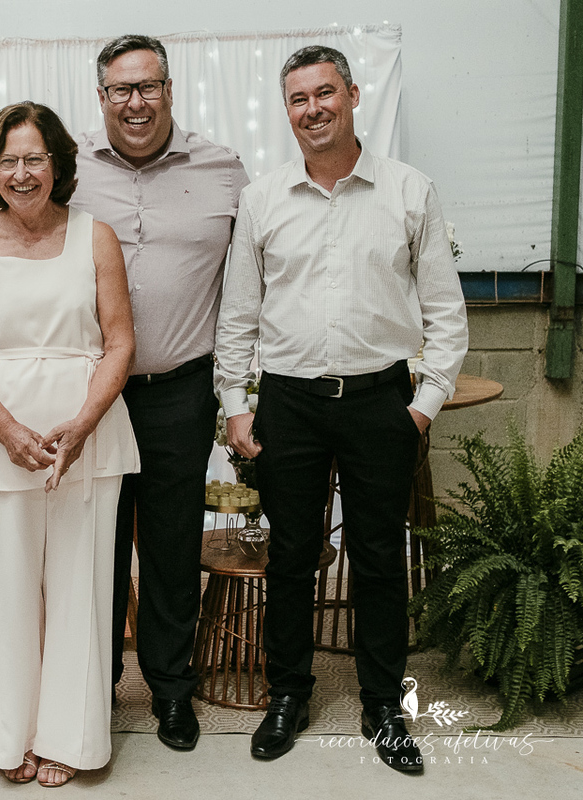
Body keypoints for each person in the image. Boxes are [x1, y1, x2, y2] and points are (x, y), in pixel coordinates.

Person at [215, 45, 468, 774]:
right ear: (286, 109)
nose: (313, 109)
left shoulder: (408, 191)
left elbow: (446, 313)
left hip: (378, 402)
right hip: (289, 403)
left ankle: (383, 705)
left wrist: (420, 408)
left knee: (381, 559)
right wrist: (236, 405)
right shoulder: (263, 198)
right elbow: (238, 315)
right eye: (298, 98)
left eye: (325, 93)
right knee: (291, 557)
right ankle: (289, 695)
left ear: (354, 96)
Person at [0, 101, 140, 787]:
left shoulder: (97, 237)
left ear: (57, 165)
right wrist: (9, 430)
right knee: (7, 593)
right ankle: (14, 736)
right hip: (1, 442)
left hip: (89, 441)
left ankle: (72, 738)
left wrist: (82, 423)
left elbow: (120, 341)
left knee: (81, 590)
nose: (21, 173)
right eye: (7, 162)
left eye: (34, 159)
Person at [70, 34, 249, 751]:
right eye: (121, 90)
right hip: (92, 391)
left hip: (182, 389)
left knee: (172, 546)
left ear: (170, 90)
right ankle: (97, 686)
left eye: (147, 87)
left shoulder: (225, 170)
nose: (135, 103)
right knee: (96, 542)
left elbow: (252, 282)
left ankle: (172, 689)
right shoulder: (68, 168)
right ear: (103, 96)